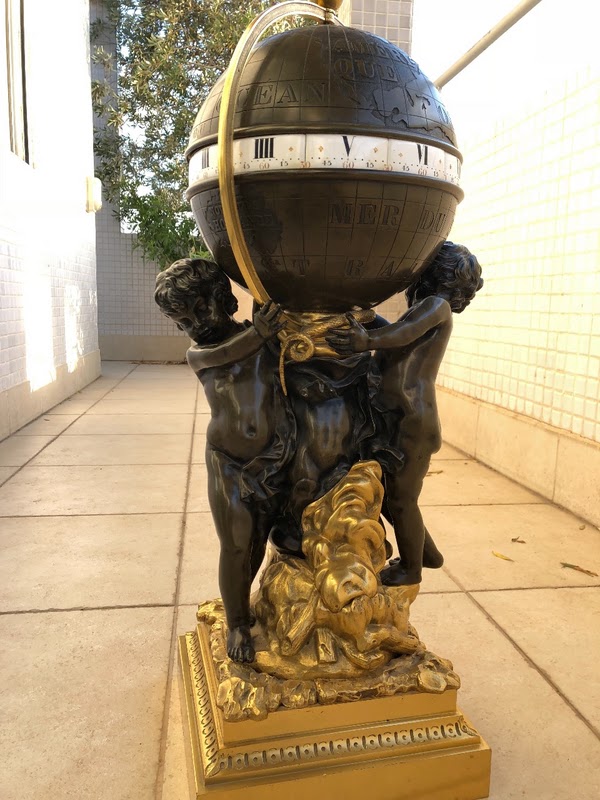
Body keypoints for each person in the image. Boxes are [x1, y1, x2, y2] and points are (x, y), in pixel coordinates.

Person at [155, 258, 293, 663]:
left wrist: (266, 327)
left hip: (274, 459)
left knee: (258, 545)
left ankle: (249, 600)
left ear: (223, 298)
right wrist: (262, 332)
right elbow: (235, 351)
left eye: (200, 309)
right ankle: (237, 622)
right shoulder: (201, 354)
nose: (194, 324)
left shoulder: (258, 335)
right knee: (234, 545)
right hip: (228, 464)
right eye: (183, 321)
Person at [326, 242, 483, 585]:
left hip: (412, 424)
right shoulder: (425, 309)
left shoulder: (437, 307)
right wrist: (367, 320)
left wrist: (365, 340)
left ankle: (412, 570)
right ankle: (427, 552)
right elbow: (396, 330)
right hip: (395, 419)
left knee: (402, 500)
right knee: (388, 497)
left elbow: (401, 334)